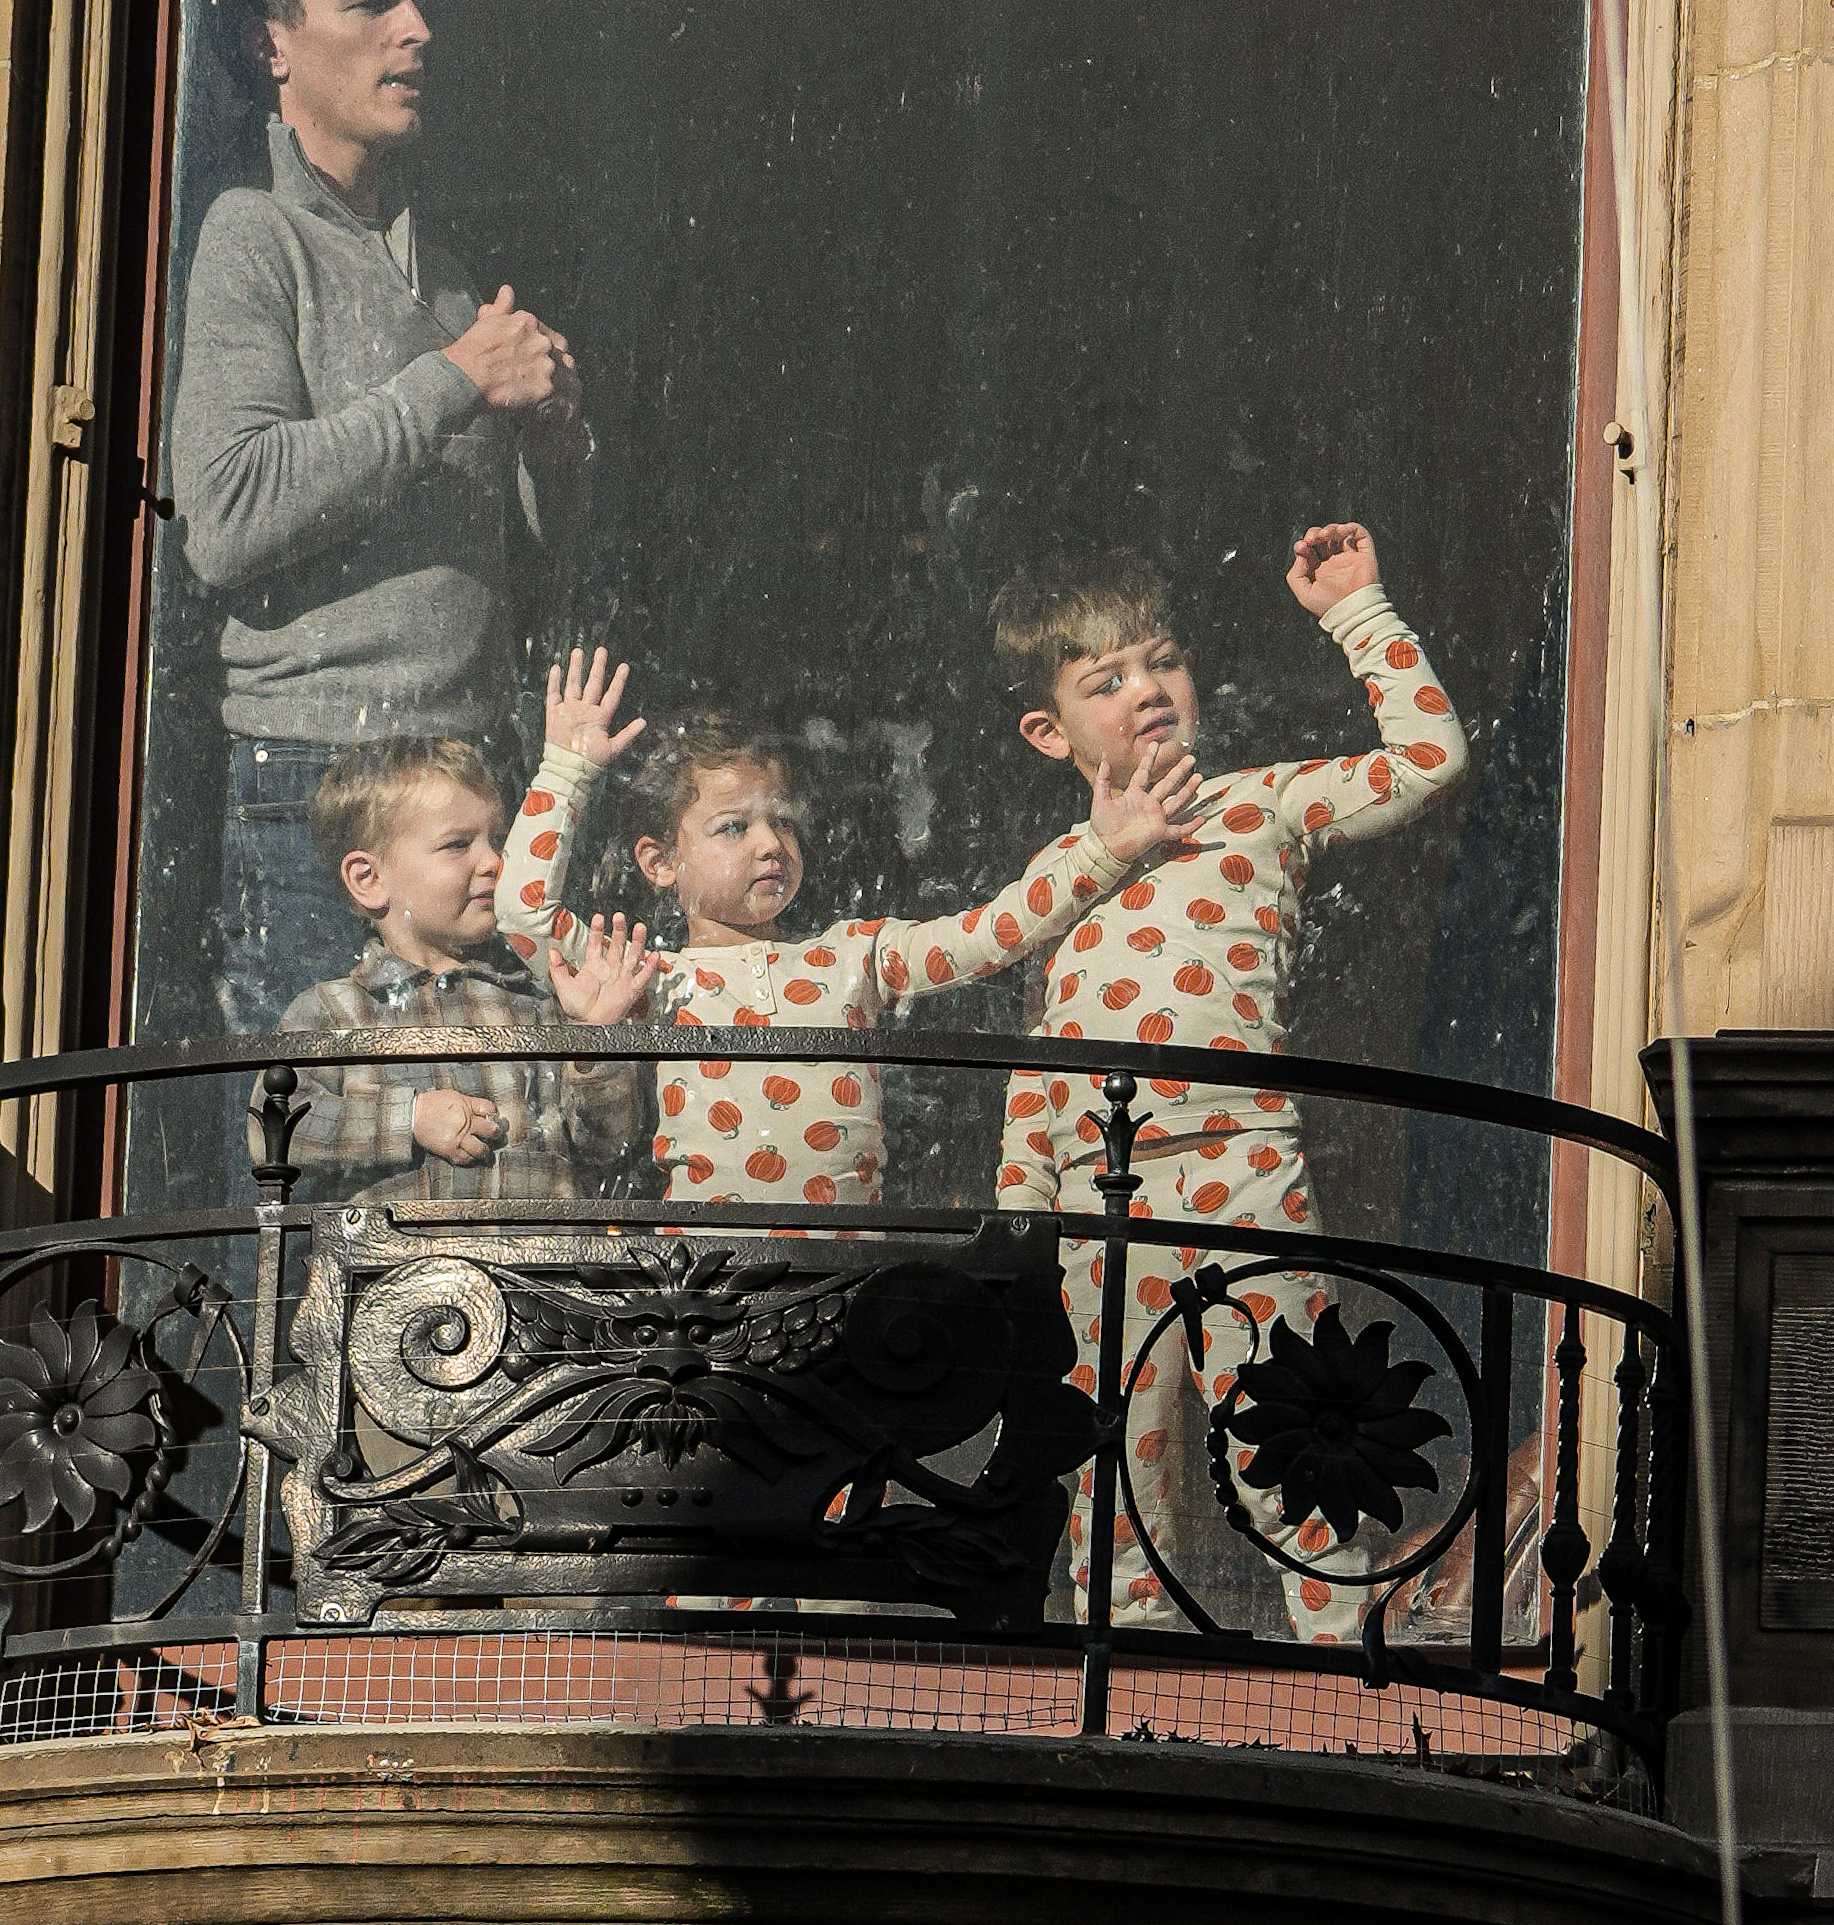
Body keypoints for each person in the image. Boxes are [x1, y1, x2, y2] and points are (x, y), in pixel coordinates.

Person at [989, 520, 1469, 1633]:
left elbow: (1426, 759)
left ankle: (1337, 1662)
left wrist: (1357, 609)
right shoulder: (1058, 872)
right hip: (1095, 1204)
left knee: (1293, 1432)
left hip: (1238, 1162)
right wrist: (1018, 1227)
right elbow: (1035, 1051)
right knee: (1111, 1458)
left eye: (1162, 659)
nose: (1146, 688)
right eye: (1104, 679)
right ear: (1048, 730)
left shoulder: (1260, 803)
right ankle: (1124, 1671)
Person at [165, 0, 589, 1033]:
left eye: (416, 0)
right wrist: (454, 378)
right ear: (273, 46)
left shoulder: (441, 268)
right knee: (323, 1160)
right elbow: (229, 514)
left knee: (464, 1153)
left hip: (466, 768)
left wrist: (551, 446)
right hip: (319, 780)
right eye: (370, 4)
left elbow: (517, 554)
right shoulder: (248, 234)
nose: (417, 29)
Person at [502, 645, 1196, 1213]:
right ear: (659, 862)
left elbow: (994, 933)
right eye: (734, 827)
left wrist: (1103, 850)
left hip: (851, 1271)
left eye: (782, 821)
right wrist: (566, 771)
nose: (770, 844)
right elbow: (524, 913)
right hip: (711, 1275)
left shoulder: (855, 955)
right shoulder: (648, 977)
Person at [266, 731, 659, 1196]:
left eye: (497, 840)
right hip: (403, 1266)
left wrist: (594, 1041)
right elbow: (273, 1130)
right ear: (369, 879)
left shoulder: (544, 999)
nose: (494, 861)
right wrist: (407, 1119)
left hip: (546, 1264)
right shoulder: (332, 1012)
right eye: (457, 845)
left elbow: (608, 1146)